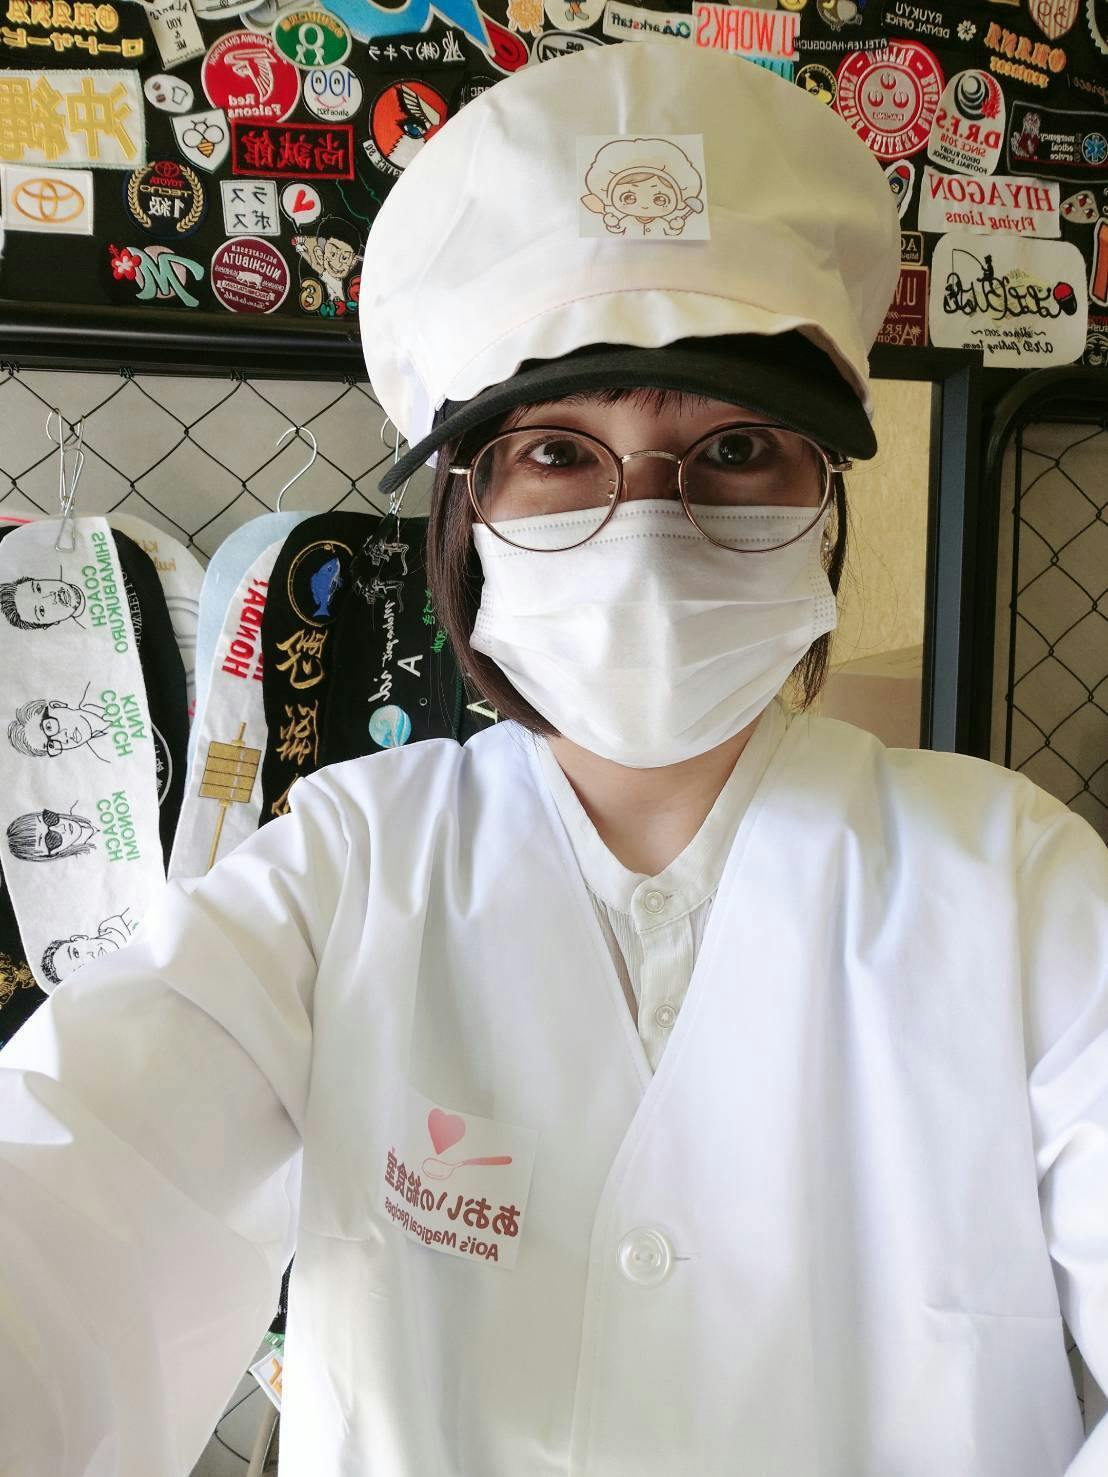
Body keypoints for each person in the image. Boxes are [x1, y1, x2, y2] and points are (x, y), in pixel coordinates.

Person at [1, 39, 1106, 1477]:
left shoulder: (1016, 884)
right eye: (560, 454)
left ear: (825, 497)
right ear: (467, 515)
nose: (648, 532)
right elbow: (75, 1187)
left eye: (736, 450)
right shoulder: (345, 866)